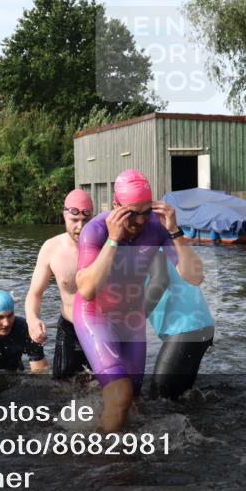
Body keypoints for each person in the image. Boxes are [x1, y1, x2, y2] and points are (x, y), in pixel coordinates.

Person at [75, 169, 204, 431]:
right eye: (132, 213)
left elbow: (194, 277)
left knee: (132, 401)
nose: (141, 220)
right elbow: (87, 290)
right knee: (120, 394)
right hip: (95, 315)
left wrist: (175, 232)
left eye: (147, 211)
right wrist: (114, 239)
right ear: (116, 206)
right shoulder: (96, 230)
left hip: (130, 320)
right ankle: (102, 463)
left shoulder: (157, 227)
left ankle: (125, 458)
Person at [25, 189, 94, 380]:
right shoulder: (51, 248)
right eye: (74, 220)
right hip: (69, 327)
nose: (80, 227)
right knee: (62, 388)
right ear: (64, 216)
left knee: (104, 388)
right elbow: (35, 294)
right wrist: (32, 319)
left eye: (86, 221)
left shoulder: (106, 246)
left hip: (101, 328)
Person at [143, 250, 214, 400]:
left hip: (187, 327)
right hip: (196, 325)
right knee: (180, 397)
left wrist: (135, 317)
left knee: (161, 399)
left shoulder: (145, 245)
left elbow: (161, 279)